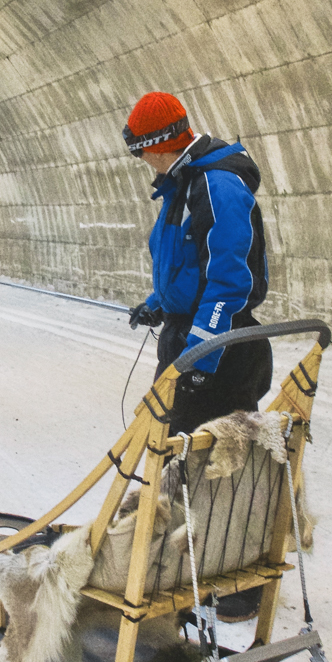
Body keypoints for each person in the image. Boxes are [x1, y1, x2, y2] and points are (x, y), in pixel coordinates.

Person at [122, 91, 272, 437]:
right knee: (171, 453)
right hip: (189, 338)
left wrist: (202, 357)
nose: (142, 160)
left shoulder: (216, 187)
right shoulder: (185, 183)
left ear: (156, 146)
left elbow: (229, 280)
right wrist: (158, 304)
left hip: (220, 350)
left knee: (200, 468)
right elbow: (187, 263)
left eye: (140, 152)